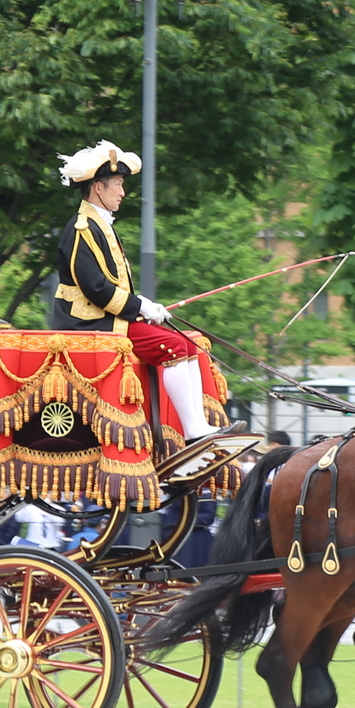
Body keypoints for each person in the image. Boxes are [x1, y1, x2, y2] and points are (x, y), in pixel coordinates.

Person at [49, 141, 233, 479]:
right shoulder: (81, 229)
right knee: (175, 347)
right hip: (91, 324)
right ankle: (194, 432)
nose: (122, 191)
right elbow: (97, 289)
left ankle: (200, 426)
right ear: (97, 187)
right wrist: (141, 307)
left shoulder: (99, 224)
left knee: (189, 344)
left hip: (111, 318)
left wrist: (144, 309)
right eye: (117, 184)